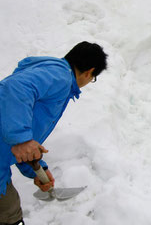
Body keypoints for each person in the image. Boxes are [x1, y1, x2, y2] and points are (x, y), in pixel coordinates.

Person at [0, 42, 108, 225]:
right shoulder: (60, 77)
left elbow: (21, 119)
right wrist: (22, 140)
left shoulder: (52, 72)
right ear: (90, 72)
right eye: (93, 78)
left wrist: (36, 169)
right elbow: (15, 88)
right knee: (10, 213)